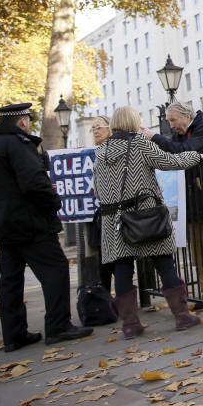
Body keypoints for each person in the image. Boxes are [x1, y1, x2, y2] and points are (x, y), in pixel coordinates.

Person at [0, 103, 93, 351]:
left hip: (1, 222)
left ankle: (14, 335)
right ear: (22, 122)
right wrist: (54, 203)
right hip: (28, 221)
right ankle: (58, 327)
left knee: (10, 278)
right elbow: (34, 182)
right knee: (56, 270)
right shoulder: (19, 145)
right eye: (28, 120)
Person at [93, 106, 203, 339]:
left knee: (122, 268)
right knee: (164, 262)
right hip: (146, 216)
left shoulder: (101, 152)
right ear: (134, 122)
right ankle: (182, 316)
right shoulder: (139, 144)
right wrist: (196, 156)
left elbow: (97, 189)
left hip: (114, 221)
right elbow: (169, 162)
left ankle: (130, 325)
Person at [142, 101, 203, 315]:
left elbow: (184, 151)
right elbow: (173, 154)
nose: (171, 125)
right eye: (169, 121)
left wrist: (154, 137)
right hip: (192, 199)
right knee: (200, 250)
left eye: (173, 120)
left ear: (186, 117)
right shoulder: (180, 133)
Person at [88, 116, 115, 292]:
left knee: (116, 262)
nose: (95, 131)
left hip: (116, 214)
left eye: (99, 127)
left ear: (110, 128)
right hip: (102, 214)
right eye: (93, 128)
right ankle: (105, 298)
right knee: (104, 260)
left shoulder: (112, 150)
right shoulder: (96, 152)